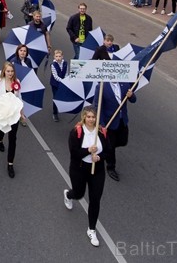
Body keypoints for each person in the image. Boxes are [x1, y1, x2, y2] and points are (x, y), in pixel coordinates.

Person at [62, 106, 111, 247]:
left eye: (93, 117)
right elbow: (74, 153)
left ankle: (91, 229)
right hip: (79, 169)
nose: (91, 119)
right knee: (79, 194)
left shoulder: (102, 132)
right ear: (84, 117)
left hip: (97, 171)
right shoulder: (76, 132)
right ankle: (68, 195)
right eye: (88, 116)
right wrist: (88, 150)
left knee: (95, 199)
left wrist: (99, 158)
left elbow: (108, 151)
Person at [0, 62, 25, 178]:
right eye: (8, 71)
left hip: (13, 115)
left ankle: (10, 164)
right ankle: (0, 140)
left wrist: (21, 112)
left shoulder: (17, 83)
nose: (10, 73)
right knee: (1, 130)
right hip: (2, 113)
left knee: (13, 138)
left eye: (12, 71)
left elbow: (19, 98)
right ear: (4, 71)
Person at [50, 49, 67, 122]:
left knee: (61, 96)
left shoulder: (65, 63)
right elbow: (55, 76)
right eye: (56, 56)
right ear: (54, 57)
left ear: (62, 56)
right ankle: (55, 113)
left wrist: (66, 79)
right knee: (55, 97)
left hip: (63, 82)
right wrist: (63, 81)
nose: (58, 58)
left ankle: (60, 106)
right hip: (55, 83)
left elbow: (66, 73)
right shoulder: (53, 65)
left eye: (59, 56)